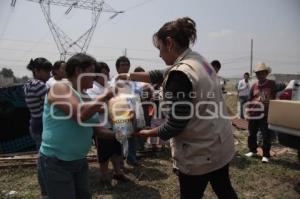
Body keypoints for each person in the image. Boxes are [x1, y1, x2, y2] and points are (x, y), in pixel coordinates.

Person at [119, 17, 238, 199]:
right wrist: (128, 76)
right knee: (224, 189)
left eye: (159, 48)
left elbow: (174, 125)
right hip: (219, 142)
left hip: (199, 151)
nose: (159, 55)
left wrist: (144, 133)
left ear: (169, 43)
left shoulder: (179, 76)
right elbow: (158, 74)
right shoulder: (199, 61)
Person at [39, 53, 116, 199]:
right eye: (92, 72)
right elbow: (80, 115)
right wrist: (104, 96)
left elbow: (97, 130)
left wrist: (122, 135)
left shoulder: (86, 95)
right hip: (56, 162)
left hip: (78, 160)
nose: (95, 76)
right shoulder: (60, 88)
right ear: (78, 71)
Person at [86, 62, 126, 183]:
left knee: (116, 150)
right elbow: (96, 107)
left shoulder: (109, 86)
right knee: (104, 153)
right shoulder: (93, 88)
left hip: (115, 124)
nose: (106, 74)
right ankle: (104, 177)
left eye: (107, 72)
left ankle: (118, 172)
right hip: (102, 126)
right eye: (103, 72)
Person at [23, 57, 52, 198]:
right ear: (37, 71)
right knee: (45, 161)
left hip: (34, 122)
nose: (49, 73)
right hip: (42, 124)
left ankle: (45, 190)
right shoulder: (40, 85)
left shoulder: (28, 84)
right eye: (46, 70)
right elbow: (53, 102)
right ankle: (46, 191)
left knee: (41, 158)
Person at [245, 62, 277, 163]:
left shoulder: (271, 84)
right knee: (251, 134)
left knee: (265, 135)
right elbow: (249, 99)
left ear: (266, 73)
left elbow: (275, 98)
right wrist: (247, 112)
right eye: (258, 73)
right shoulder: (254, 85)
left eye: (262, 73)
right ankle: (253, 150)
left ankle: (266, 155)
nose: (260, 75)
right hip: (254, 114)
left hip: (265, 114)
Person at [115, 56, 139, 166]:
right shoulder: (115, 81)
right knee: (120, 138)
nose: (126, 67)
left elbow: (136, 97)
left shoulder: (131, 81)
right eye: (123, 65)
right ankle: (120, 162)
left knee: (133, 136)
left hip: (133, 112)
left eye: (127, 64)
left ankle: (131, 158)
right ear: (117, 68)